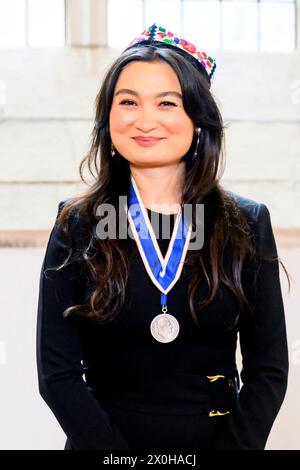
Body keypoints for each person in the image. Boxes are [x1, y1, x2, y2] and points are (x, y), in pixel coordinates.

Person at [36, 23, 289, 450]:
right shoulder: (78, 223)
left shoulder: (245, 223)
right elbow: (56, 373)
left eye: (167, 103)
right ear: (108, 118)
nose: (145, 120)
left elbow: (269, 369)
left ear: (198, 119)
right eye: (128, 101)